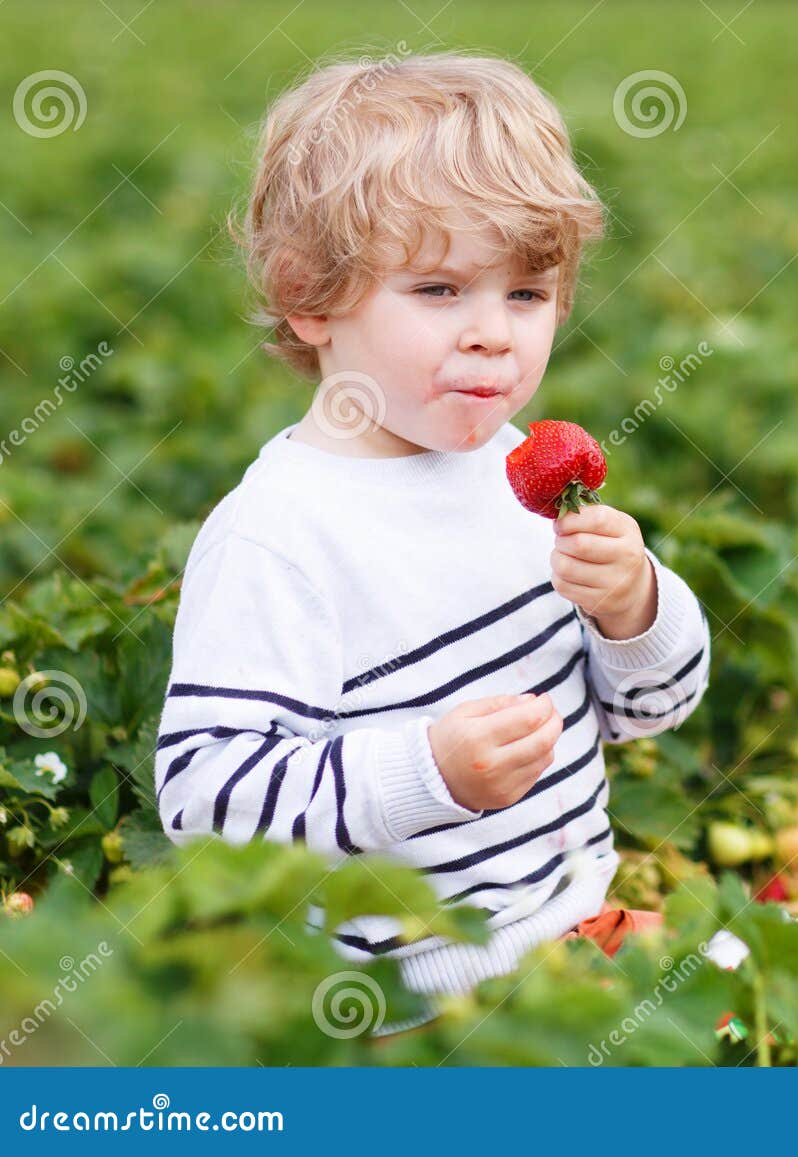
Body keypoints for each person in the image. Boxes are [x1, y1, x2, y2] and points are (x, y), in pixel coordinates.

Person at [153, 51, 707, 1034]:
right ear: (308, 294)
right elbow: (205, 800)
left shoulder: (525, 475)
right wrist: (426, 772)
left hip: (584, 936)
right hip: (411, 1007)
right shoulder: (281, 535)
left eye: (526, 295)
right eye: (441, 289)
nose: (493, 333)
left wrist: (635, 610)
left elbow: (649, 707)